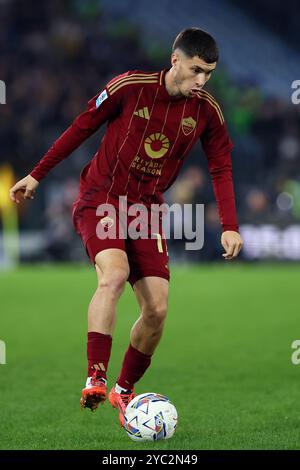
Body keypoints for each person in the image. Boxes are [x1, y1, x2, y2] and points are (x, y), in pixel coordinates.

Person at [9, 28, 243, 427]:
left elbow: (220, 166)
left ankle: (123, 391)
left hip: (147, 210)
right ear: (175, 61)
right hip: (101, 198)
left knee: (157, 310)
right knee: (114, 276)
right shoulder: (130, 87)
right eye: (196, 69)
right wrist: (37, 175)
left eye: (209, 73)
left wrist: (229, 225)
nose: (202, 80)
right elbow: (81, 127)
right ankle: (95, 378)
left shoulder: (207, 112)